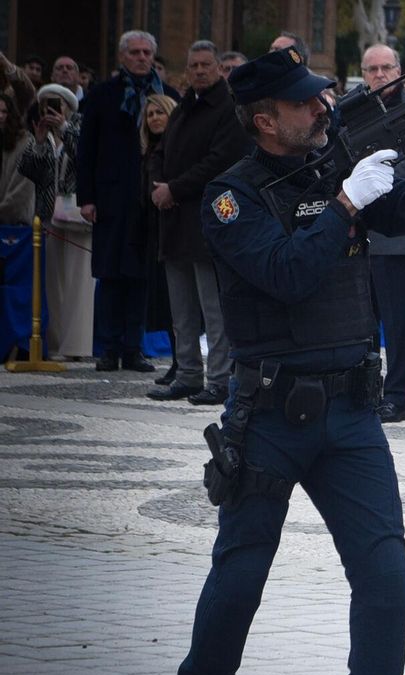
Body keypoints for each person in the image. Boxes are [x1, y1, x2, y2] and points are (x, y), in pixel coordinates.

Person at [174, 47, 405, 675]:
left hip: (351, 410)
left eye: (321, 98)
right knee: (241, 574)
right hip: (271, 412)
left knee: (387, 573)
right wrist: (344, 206)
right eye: (304, 103)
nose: (321, 109)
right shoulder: (232, 197)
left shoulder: (335, 166)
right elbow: (287, 274)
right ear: (265, 120)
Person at [146, 40, 248, 404]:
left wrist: (173, 188)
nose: (200, 70)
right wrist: (157, 185)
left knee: (213, 310)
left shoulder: (228, 108)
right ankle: (187, 373)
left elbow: (220, 161)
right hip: (174, 221)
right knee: (182, 310)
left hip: (206, 221)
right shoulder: (183, 107)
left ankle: (218, 379)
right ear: (186, 70)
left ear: (219, 68)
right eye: (194, 65)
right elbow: (158, 152)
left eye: (206, 64)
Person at [77, 30, 178, 372]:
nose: (141, 57)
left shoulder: (167, 96)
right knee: (110, 276)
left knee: (141, 276)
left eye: (146, 52)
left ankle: (134, 348)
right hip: (110, 198)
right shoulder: (103, 95)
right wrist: (87, 198)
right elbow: (86, 149)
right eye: (134, 52)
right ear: (122, 57)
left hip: (148, 200)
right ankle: (108, 348)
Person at [356, 44, 405, 423]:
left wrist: (371, 181)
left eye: (386, 68)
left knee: (398, 324)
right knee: (361, 323)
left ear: (399, 70)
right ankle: (364, 390)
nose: (380, 74)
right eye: (372, 69)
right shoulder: (356, 110)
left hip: (396, 232)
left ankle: (399, 396)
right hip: (358, 230)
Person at [19, 83, 93, 357]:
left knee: (79, 282)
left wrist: (63, 128)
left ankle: (77, 345)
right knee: (53, 283)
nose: (51, 110)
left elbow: (87, 156)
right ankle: (56, 341)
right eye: (47, 104)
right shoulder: (41, 134)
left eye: (57, 104)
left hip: (78, 215)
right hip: (49, 216)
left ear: (67, 106)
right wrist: (39, 142)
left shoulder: (79, 127)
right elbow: (28, 170)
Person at [135, 93, 175, 375]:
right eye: (150, 114)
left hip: (173, 231)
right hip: (154, 232)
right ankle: (179, 362)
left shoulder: (173, 149)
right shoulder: (148, 152)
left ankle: (183, 363)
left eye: (160, 112)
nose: (154, 118)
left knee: (176, 303)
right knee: (164, 302)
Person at [0, 91, 35, 224]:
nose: (0, 116)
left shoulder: (25, 143)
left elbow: (22, 189)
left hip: (16, 224)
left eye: (4, 112)